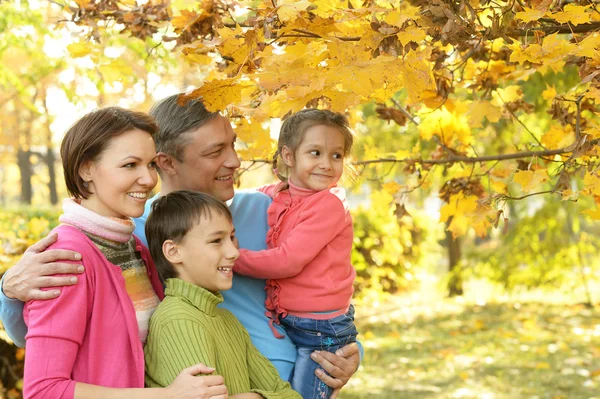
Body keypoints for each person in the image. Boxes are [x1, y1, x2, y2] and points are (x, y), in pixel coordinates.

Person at [0, 94, 361, 397]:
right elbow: (41, 341)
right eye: (215, 151)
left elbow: (328, 286)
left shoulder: (271, 210)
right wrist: (9, 290)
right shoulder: (137, 236)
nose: (235, 161)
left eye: (233, 145)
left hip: (285, 381)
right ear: (167, 162)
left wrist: (348, 351)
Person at [22, 108, 227, 399]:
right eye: (130, 165)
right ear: (86, 169)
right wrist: (168, 396)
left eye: (151, 164)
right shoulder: (66, 259)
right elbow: (43, 390)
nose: (147, 179)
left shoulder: (133, 248)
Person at [234, 109, 358, 399]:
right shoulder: (286, 194)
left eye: (336, 156)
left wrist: (233, 257)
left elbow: (288, 260)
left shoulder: (328, 205)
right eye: (315, 153)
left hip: (319, 328)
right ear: (288, 157)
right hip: (296, 321)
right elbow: (261, 193)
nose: (327, 164)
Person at [144, 190, 301, 399]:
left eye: (232, 237)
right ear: (173, 251)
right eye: (217, 240)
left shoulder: (227, 320)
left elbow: (288, 395)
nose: (234, 252)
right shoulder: (178, 320)